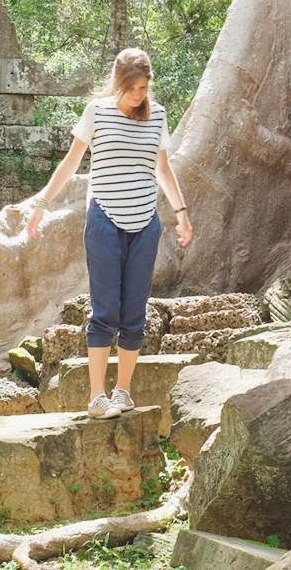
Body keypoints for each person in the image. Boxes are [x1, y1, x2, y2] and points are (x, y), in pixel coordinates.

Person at [25, 48, 193, 419]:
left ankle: (123, 392)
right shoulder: (97, 112)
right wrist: (42, 203)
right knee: (105, 311)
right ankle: (96, 397)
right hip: (104, 220)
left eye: (143, 87)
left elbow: (163, 169)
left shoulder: (157, 115)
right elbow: (71, 162)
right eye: (131, 88)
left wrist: (181, 214)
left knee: (134, 312)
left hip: (145, 223)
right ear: (118, 83)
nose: (138, 94)